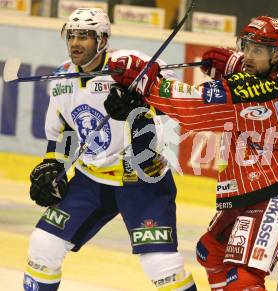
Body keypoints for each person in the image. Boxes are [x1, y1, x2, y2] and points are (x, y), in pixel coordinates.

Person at [104, 15, 278, 291]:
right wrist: (230, 63)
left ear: (276, 54)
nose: (248, 55)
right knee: (209, 251)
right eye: (245, 46)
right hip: (255, 184)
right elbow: (246, 73)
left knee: (244, 280)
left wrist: (145, 81)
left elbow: (192, 108)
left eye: (257, 50)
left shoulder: (253, 94)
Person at [23, 8, 196, 291]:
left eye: (85, 36)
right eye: (72, 35)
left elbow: (176, 103)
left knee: (161, 266)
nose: (76, 43)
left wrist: (140, 105)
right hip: (92, 179)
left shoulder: (129, 66)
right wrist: (54, 165)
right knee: (44, 245)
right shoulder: (62, 78)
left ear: (102, 40)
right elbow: (64, 131)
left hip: (141, 179)